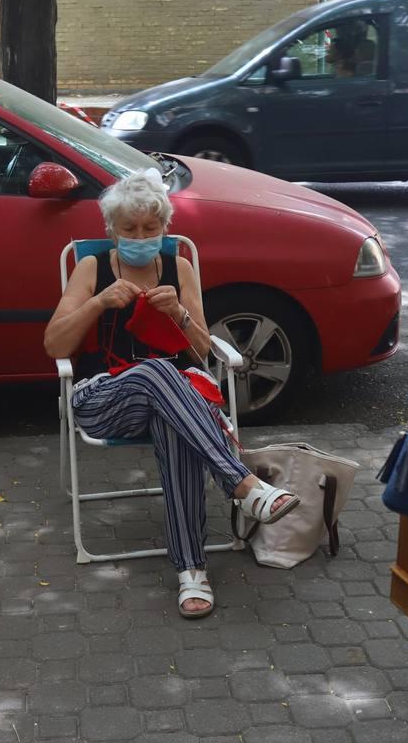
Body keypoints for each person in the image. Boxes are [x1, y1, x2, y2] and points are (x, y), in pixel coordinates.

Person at [44, 169, 301, 619]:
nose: (140, 237)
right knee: (160, 372)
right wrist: (98, 302)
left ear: (166, 228)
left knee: (173, 414)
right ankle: (242, 484)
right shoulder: (92, 268)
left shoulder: (178, 268)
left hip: (174, 404)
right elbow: (54, 345)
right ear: (111, 231)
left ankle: (192, 571)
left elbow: (202, 352)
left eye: (150, 228)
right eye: (129, 229)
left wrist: (180, 314)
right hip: (103, 399)